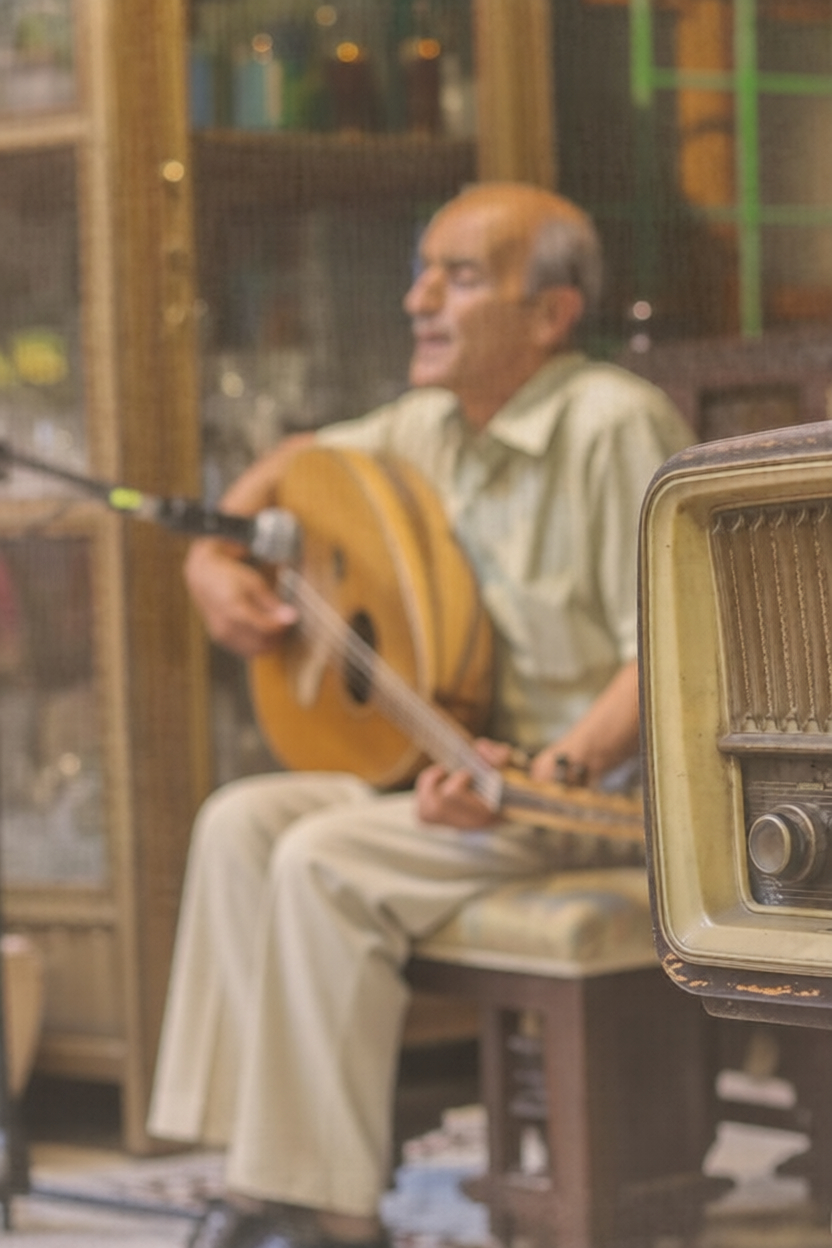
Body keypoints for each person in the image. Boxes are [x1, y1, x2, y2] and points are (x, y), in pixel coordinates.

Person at [147, 182, 693, 1248]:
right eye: (420, 270)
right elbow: (290, 465)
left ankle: (330, 1217)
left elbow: (670, 660)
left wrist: (554, 772)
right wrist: (212, 564)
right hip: (451, 775)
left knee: (320, 859)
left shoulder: (613, 424)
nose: (417, 300)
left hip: (589, 798)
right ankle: (254, 1175)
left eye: (461, 275)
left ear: (550, 313)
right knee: (238, 822)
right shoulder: (422, 425)